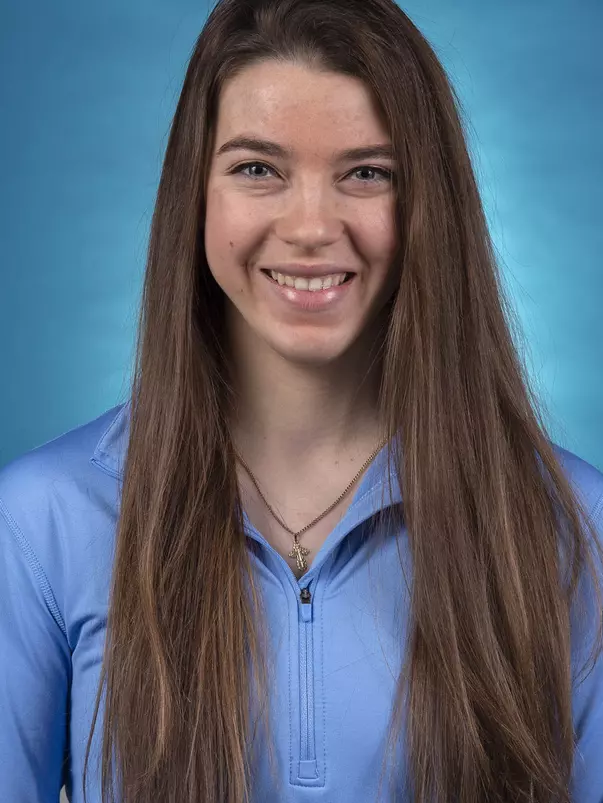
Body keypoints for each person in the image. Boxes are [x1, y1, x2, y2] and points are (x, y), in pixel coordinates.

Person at [1, 0, 602, 801]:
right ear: (196, 195)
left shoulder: (575, 526)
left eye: (366, 173)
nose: (312, 226)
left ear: (428, 205)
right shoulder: (42, 521)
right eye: (258, 168)